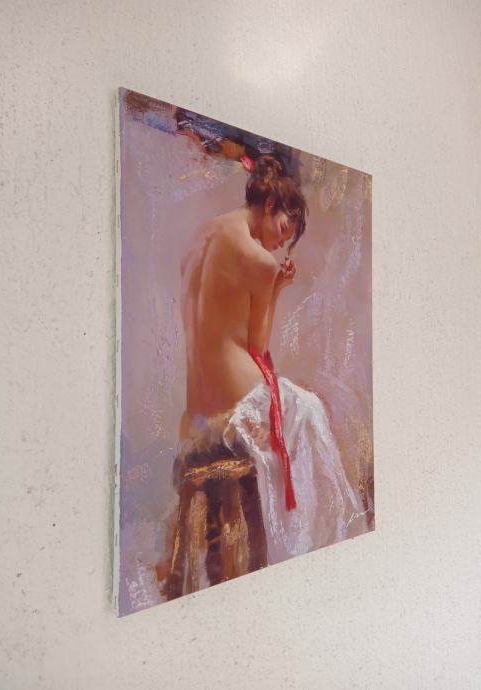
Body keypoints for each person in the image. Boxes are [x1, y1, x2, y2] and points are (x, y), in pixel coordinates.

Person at [163, 156, 361, 599]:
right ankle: (313, 552)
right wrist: (276, 289)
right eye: (284, 228)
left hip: (196, 410)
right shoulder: (259, 261)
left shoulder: (199, 237)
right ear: (270, 204)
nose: (281, 242)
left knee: (306, 409)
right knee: (312, 409)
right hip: (237, 405)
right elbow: (258, 346)